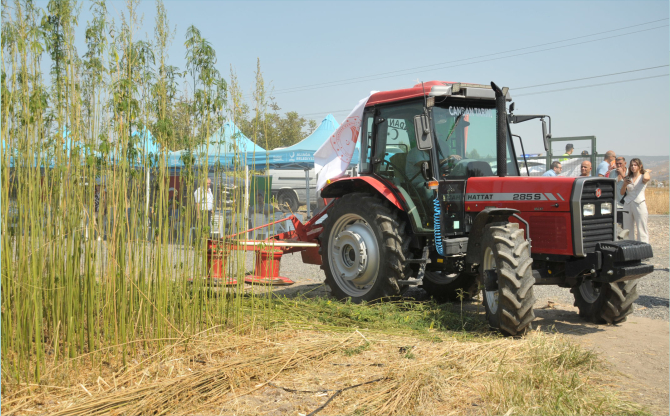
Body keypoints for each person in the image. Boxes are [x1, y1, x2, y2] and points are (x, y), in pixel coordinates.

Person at [621, 158, 651, 243]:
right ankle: (628, 246)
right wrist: (624, 184)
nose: (633, 167)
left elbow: (646, 178)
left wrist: (645, 171)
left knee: (641, 227)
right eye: (631, 165)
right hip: (628, 203)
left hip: (639, 203)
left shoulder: (643, 176)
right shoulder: (627, 177)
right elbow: (622, 192)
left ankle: (643, 247)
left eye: (635, 165)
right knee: (627, 228)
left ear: (639, 166)